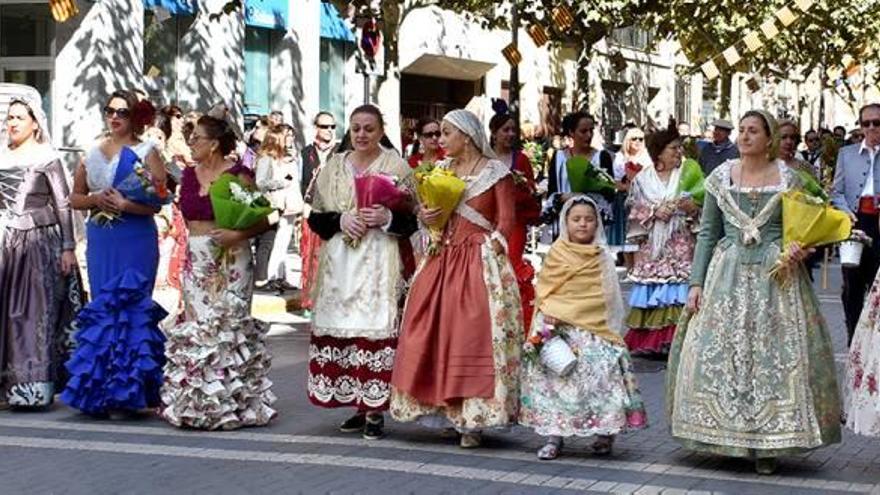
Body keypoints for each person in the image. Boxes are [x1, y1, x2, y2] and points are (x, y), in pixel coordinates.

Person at [668, 110, 841, 475]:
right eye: (742, 131)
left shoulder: (789, 178)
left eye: (752, 131)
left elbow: (813, 221)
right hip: (726, 273)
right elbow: (707, 233)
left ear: (769, 139)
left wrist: (800, 248)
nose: (744, 137)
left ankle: (768, 446)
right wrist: (696, 283)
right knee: (726, 354)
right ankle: (727, 436)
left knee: (771, 356)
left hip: (775, 276)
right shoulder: (719, 177)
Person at [390, 109, 523, 449]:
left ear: (467, 135)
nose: (440, 140)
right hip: (442, 257)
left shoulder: (497, 174)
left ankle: (474, 419)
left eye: (447, 134)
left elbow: (506, 222)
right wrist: (427, 214)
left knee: (471, 336)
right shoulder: (440, 171)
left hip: (477, 261)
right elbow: (429, 216)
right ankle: (445, 410)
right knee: (436, 333)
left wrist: (491, 250)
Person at [307, 105, 418, 440]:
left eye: (369, 128)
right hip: (340, 262)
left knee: (375, 331)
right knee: (343, 330)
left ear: (381, 131)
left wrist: (386, 217)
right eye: (356, 128)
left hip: (379, 261)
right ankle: (355, 402)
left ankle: (374, 409)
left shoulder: (397, 166)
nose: (361, 135)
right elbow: (315, 216)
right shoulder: (334, 166)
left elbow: (413, 218)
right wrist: (340, 220)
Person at [160, 114, 277, 430]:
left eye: (197, 138)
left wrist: (238, 235)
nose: (191, 143)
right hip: (196, 259)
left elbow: (269, 216)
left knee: (229, 326)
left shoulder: (239, 174)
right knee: (199, 329)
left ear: (213, 144)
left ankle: (235, 405)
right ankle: (200, 404)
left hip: (231, 257)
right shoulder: (187, 174)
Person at [62, 90, 168, 416]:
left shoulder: (148, 151)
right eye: (110, 110)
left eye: (122, 111)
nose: (115, 116)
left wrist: (125, 204)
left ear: (135, 116)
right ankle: (99, 392)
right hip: (102, 238)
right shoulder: (91, 152)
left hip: (135, 235)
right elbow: (74, 198)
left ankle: (132, 393)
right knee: (104, 310)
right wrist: (96, 199)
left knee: (133, 307)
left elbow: (160, 197)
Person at [520, 195, 647, 460]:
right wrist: (550, 317)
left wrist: (607, 330)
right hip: (561, 329)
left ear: (597, 223)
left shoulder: (601, 256)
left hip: (595, 329)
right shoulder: (557, 252)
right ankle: (555, 436)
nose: (582, 224)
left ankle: (605, 434)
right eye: (576, 219)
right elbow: (546, 290)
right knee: (558, 381)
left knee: (602, 376)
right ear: (566, 221)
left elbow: (609, 297)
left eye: (589, 219)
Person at [0, 93, 84, 408]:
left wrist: (68, 247)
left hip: (36, 243)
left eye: (19, 117)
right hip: (5, 240)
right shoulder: (1, 155)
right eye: (9, 117)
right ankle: (5, 386)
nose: (12, 123)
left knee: (31, 314)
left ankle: (31, 389)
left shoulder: (47, 156)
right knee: (5, 313)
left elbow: (62, 204)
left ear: (35, 123)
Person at [623, 126, 699, 355]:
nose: (678, 153)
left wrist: (693, 208)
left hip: (680, 240)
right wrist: (654, 211)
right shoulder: (642, 179)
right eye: (674, 148)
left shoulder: (687, 175)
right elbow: (632, 209)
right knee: (654, 288)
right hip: (652, 244)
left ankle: (678, 340)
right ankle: (652, 342)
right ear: (659, 153)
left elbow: (702, 205)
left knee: (678, 288)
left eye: (680, 148)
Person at [831, 103, 880, 344]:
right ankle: (854, 339)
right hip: (855, 223)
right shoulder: (847, 154)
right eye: (866, 123)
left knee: (877, 286)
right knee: (852, 286)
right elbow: (836, 191)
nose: (871, 128)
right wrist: (846, 212)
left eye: (877, 123)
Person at [489, 109, 540, 332]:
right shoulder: (485, 157)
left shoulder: (521, 159)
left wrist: (521, 187)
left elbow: (531, 189)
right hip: (487, 220)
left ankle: (514, 317)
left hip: (515, 222)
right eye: (505, 130)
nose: (510, 134)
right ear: (493, 133)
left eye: (513, 130)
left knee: (511, 264)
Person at [544, 111, 614, 239]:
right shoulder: (558, 157)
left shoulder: (602, 157)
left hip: (592, 223)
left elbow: (609, 194)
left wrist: (584, 196)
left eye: (591, 130)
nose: (589, 135)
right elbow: (552, 191)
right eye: (583, 131)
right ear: (571, 132)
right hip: (564, 222)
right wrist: (561, 197)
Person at [254, 125, 303, 291]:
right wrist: (281, 182)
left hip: (291, 205)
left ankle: (280, 276)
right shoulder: (267, 158)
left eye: (292, 135)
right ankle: (269, 276)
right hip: (276, 205)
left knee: (285, 242)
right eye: (287, 135)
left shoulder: (289, 157)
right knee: (273, 242)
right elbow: (260, 183)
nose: (291, 139)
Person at [299, 112, 338, 313]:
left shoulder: (341, 152)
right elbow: (301, 182)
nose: (329, 130)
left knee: (331, 258)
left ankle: (329, 300)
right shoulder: (306, 153)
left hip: (333, 212)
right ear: (316, 127)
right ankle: (309, 300)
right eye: (325, 126)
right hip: (311, 211)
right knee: (309, 256)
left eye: (332, 126)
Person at [611, 127, 653, 249]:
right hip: (624, 198)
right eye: (634, 139)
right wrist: (627, 185)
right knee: (625, 234)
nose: (637, 142)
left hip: (643, 200)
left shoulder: (647, 157)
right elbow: (615, 181)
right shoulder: (619, 157)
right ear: (627, 140)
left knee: (640, 236)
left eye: (641, 139)